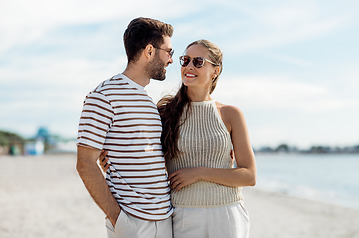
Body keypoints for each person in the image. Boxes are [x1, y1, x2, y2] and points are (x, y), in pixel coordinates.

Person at [100, 39, 256, 238]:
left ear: (215, 71)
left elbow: (249, 176)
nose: (189, 66)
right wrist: (111, 161)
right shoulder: (165, 113)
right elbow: (145, 157)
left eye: (198, 61)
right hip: (182, 215)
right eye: (185, 60)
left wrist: (198, 173)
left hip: (227, 213)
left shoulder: (230, 114)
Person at [76, 17, 174, 238]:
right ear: (149, 51)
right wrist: (118, 219)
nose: (170, 59)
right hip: (132, 222)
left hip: (165, 218)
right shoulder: (103, 96)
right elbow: (84, 164)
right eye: (169, 52)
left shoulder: (148, 100)